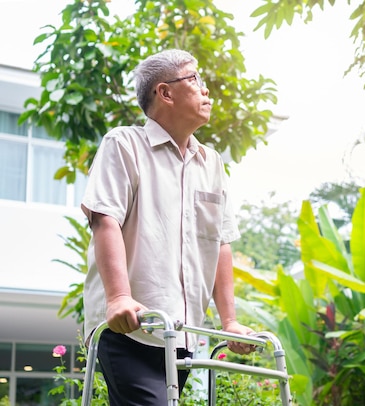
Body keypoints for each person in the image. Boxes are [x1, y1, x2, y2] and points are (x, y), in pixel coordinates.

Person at [81, 49, 254, 405]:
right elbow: (104, 219)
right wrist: (118, 298)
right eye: (195, 80)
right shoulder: (124, 144)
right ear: (165, 92)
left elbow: (220, 242)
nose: (206, 91)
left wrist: (230, 322)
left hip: (182, 335)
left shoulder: (211, 163)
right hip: (129, 328)